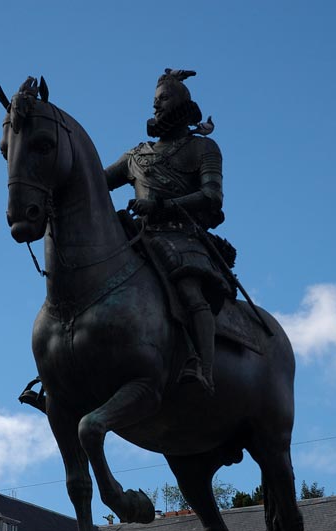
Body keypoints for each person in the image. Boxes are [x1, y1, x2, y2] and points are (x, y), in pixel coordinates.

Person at [104, 69, 232, 395]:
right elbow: (94, 182)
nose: (156, 107)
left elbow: (212, 196)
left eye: (163, 99)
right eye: (154, 102)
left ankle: (203, 368)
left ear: (182, 103)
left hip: (182, 236)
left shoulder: (203, 148)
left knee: (189, 290)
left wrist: (162, 205)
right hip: (137, 236)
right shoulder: (136, 156)